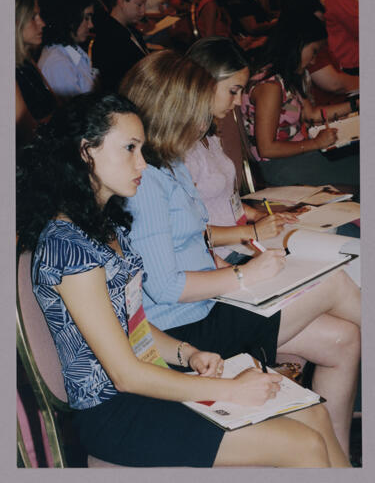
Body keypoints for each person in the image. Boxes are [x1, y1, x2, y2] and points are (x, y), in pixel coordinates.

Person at [16, 92, 347, 468]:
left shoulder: (104, 224)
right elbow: (124, 375)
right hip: (118, 413)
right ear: (85, 151)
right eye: (129, 148)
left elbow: (132, 324)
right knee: (301, 446)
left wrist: (186, 352)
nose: (142, 163)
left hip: (149, 380)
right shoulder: (67, 246)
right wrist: (229, 390)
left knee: (315, 416)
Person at [120, 49, 360, 458]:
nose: (213, 114)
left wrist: (229, 263)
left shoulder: (171, 166)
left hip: (209, 307)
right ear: (176, 109)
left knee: (343, 338)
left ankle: (338, 454)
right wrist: (245, 276)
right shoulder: (149, 182)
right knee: (334, 281)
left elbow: (189, 241)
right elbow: (165, 287)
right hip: (190, 330)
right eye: (201, 104)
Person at [184, 37, 297, 264]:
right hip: (221, 256)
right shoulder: (183, 150)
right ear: (203, 84)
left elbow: (219, 200)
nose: (237, 102)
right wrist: (252, 232)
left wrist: (257, 215)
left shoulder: (208, 133)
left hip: (239, 244)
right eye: (233, 91)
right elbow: (189, 234)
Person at [241, 14, 360, 188]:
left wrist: (355, 105)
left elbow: (311, 114)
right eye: (313, 52)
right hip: (281, 166)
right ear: (297, 46)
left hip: (298, 157)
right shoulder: (270, 87)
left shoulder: (284, 76)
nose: (313, 60)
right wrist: (315, 143)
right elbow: (267, 149)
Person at [38, 0, 98, 100]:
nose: (91, 25)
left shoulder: (71, 49)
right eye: (86, 18)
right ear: (70, 18)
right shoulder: (57, 64)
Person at [92, 0, 149, 92]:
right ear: (122, 2)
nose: (143, 11)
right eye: (139, 4)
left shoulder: (129, 28)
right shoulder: (108, 38)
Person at [16, 0, 56, 147]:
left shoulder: (26, 59)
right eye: (33, 17)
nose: (43, 23)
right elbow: (28, 132)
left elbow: (54, 102)